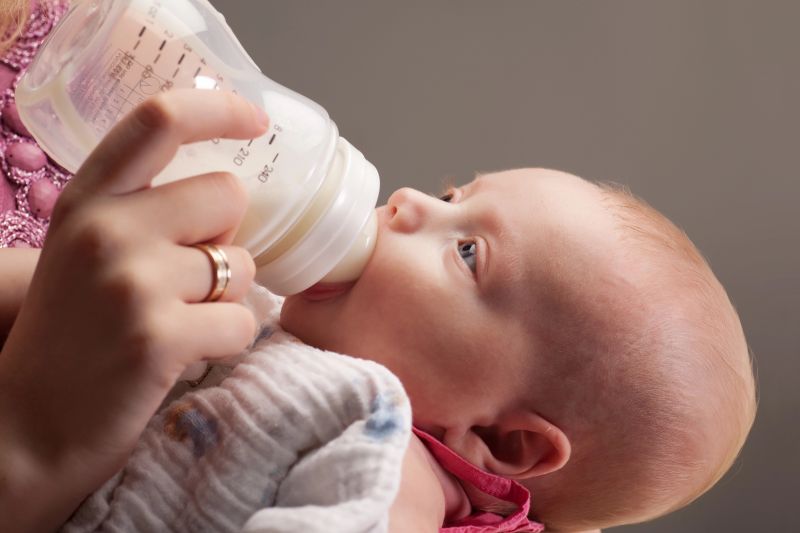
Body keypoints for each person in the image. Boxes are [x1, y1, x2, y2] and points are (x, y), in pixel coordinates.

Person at [0, 1, 756, 532]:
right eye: (452, 194)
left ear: (500, 442)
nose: (407, 201)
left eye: (467, 252)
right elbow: (58, 298)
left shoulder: (379, 460)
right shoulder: (257, 309)